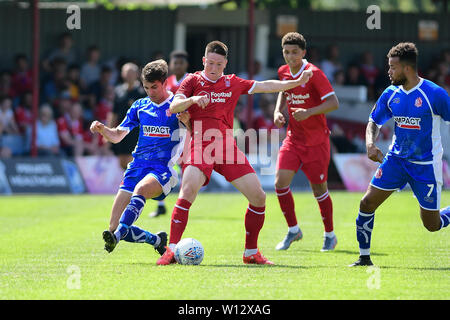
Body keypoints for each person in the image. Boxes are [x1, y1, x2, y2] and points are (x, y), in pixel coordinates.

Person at [156, 40, 313, 266]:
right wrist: (193, 100)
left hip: (227, 148)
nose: (213, 68)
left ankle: (251, 252)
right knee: (187, 191)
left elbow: (264, 85)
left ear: (225, 64)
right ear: (203, 61)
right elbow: (174, 106)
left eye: (218, 64)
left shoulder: (232, 82)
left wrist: (295, 82)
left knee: (259, 198)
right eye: (210, 63)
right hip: (201, 144)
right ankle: (171, 251)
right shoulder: (192, 80)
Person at [349, 42, 450, 267]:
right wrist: (369, 143)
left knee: (431, 225)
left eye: (392, 67)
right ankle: (364, 258)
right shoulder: (390, 93)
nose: (388, 71)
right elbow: (373, 120)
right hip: (396, 161)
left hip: (426, 166)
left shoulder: (434, 94)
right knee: (366, 203)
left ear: (407, 69)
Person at [90, 59, 190, 256]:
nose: (150, 92)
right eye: (146, 87)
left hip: (163, 169)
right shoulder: (140, 105)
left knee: (141, 190)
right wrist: (103, 129)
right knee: (112, 225)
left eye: (154, 87)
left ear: (164, 83)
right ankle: (156, 239)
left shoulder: (177, 106)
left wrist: (187, 122)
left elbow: (195, 133)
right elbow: (118, 135)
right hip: (137, 167)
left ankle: (118, 237)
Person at [273, 32, 340, 252]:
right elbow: (284, 90)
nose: (290, 56)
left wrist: (309, 112)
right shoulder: (283, 71)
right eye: (286, 52)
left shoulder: (314, 74)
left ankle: (330, 235)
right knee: (280, 184)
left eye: (294, 52)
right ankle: (294, 230)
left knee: (319, 190)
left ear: (303, 52)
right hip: (294, 139)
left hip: (316, 143)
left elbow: (333, 103)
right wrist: (277, 111)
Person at [149, 50, 190, 218]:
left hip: (186, 128)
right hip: (168, 130)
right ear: (170, 65)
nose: (178, 66)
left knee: (184, 165)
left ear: (186, 64)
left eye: (181, 63)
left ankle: (183, 203)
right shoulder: (167, 82)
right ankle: (161, 204)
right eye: (175, 63)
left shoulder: (191, 80)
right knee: (162, 164)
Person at [109, 62, 146, 170]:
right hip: (121, 131)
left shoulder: (142, 91)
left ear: (137, 74)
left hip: (136, 132)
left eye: (131, 72)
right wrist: (110, 129)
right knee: (122, 162)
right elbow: (114, 112)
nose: (129, 75)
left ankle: (134, 184)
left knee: (133, 162)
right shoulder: (118, 90)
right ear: (122, 74)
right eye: (126, 72)